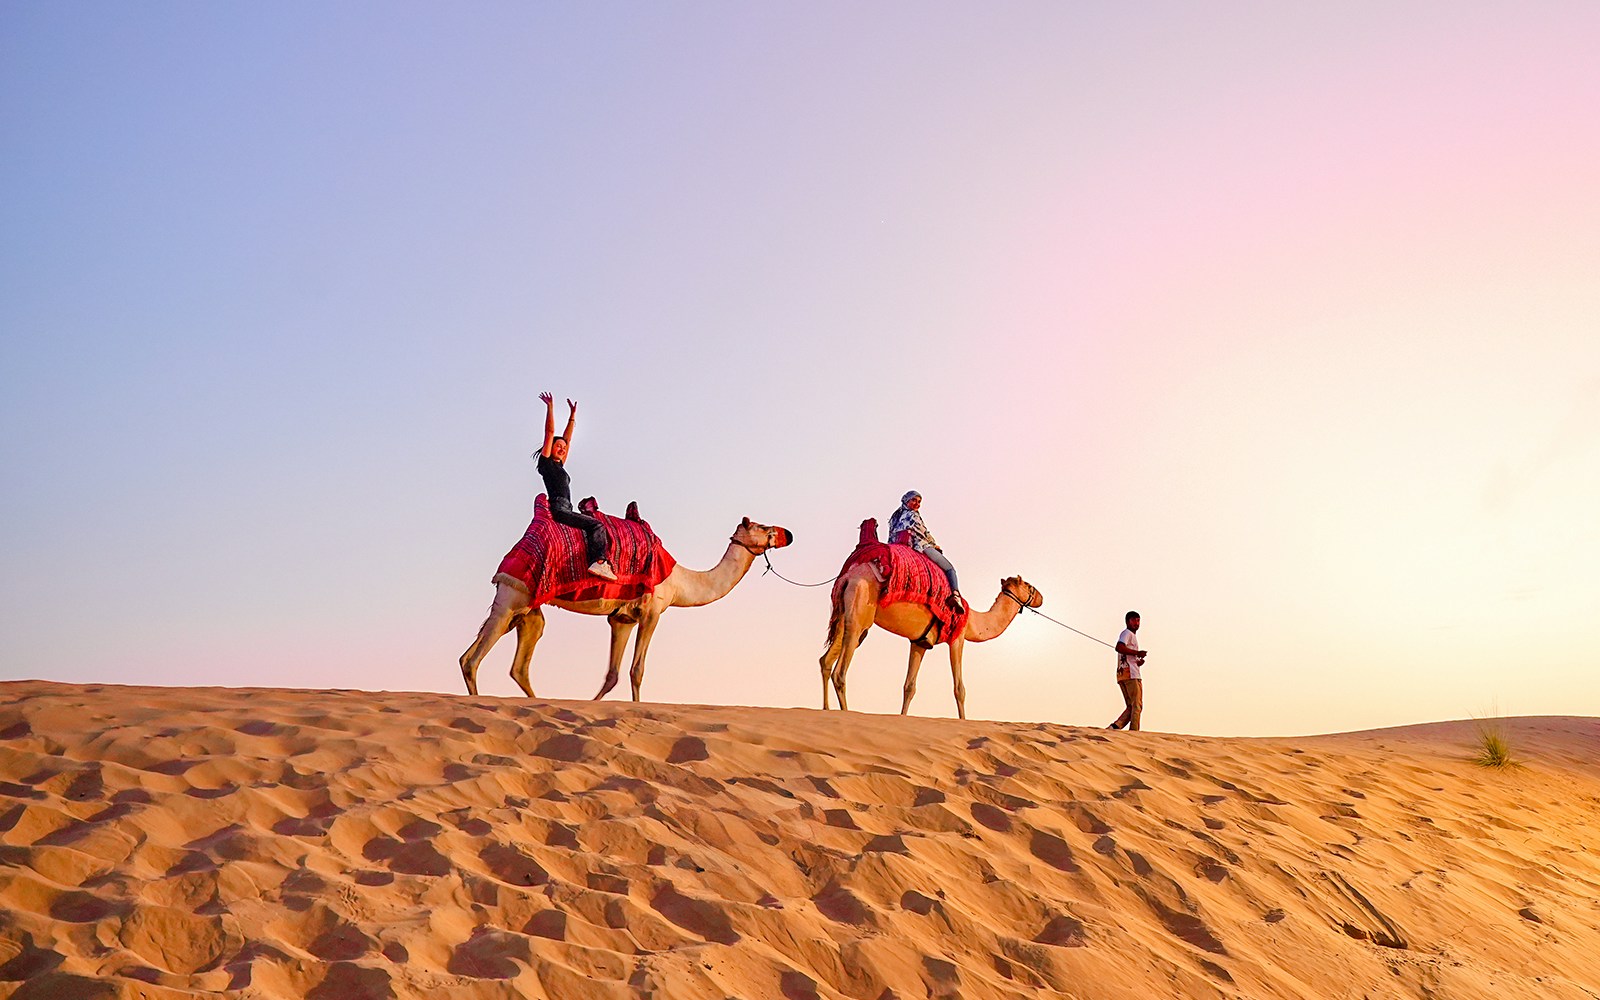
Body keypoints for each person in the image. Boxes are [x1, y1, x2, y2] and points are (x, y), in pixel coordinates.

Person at [535, 392, 617, 581]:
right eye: (558, 446)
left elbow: (568, 440)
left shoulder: (560, 465)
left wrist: (573, 416)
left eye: (564, 447)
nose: (562, 448)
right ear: (550, 447)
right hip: (559, 507)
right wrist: (550, 408)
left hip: (567, 507)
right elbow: (549, 433)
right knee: (596, 525)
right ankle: (599, 562)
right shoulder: (546, 464)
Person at [887, 490, 962, 610]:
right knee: (949, 568)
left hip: (898, 545)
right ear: (906, 501)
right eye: (914, 500)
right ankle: (955, 595)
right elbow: (923, 533)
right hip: (919, 545)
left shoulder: (894, 517)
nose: (917, 504)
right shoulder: (913, 515)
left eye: (919, 502)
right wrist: (934, 545)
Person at [1108, 611, 1146, 731]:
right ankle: (1134, 732)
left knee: (1131, 706)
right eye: (1134, 620)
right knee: (1137, 706)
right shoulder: (1127, 633)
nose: (1137, 623)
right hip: (1131, 674)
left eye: (1138, 620)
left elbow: (1125, 652)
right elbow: (1119, 647)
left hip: (1123, 674)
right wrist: (1137, 653)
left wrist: (1137, 660)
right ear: (1128, 621)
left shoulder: (1130, 635)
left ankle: (1115, 727)